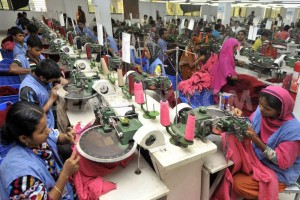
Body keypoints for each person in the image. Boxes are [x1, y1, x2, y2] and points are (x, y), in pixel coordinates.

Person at [231, 86, 300, 199]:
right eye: (260, 104)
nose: (261, 109)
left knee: (238, 183)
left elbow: (281, 161)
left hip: (278, 171)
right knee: (230, 166)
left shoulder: (293, 131)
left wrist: (257, 141)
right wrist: (240, 118)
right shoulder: (262, 112)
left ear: (280, 111)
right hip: (258, 160)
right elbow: (251, 124)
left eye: (267, 108)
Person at [0, 101, 79, 199]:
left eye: (46, 126)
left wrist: (66, 137)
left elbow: (55, 136)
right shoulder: (20, 176)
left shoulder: (36, 139)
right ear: (24, 138)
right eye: (42, 131)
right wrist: (65, 174)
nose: (48, 131)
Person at [19, 59, 63, 129]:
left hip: (48, 119)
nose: (52, 81)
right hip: (40, 129)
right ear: (42, 78)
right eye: (52, 80)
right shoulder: (28, 90)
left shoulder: (39, 75)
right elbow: (32, 117)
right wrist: (52, 99)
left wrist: (60, 80)